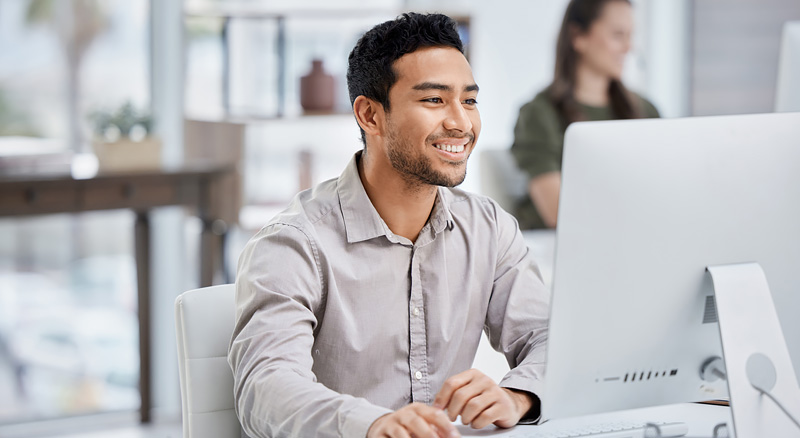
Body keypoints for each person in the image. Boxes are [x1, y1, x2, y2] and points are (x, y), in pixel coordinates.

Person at [229, 13, 549, 438]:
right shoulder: (294, 244)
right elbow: (265, 390)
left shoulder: (489, 228)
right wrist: (373, 424)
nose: (461, 122)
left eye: (469, 100)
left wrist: (518, 397)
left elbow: (549, 338)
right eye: (434, 100)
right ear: (370, 116)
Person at [511, 0, 660, 229]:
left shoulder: (645, 110)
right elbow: (557, 212)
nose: (628, 47)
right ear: (578, 36)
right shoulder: (539, 114)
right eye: (618, 35)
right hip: (555, 249)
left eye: (631, 35)